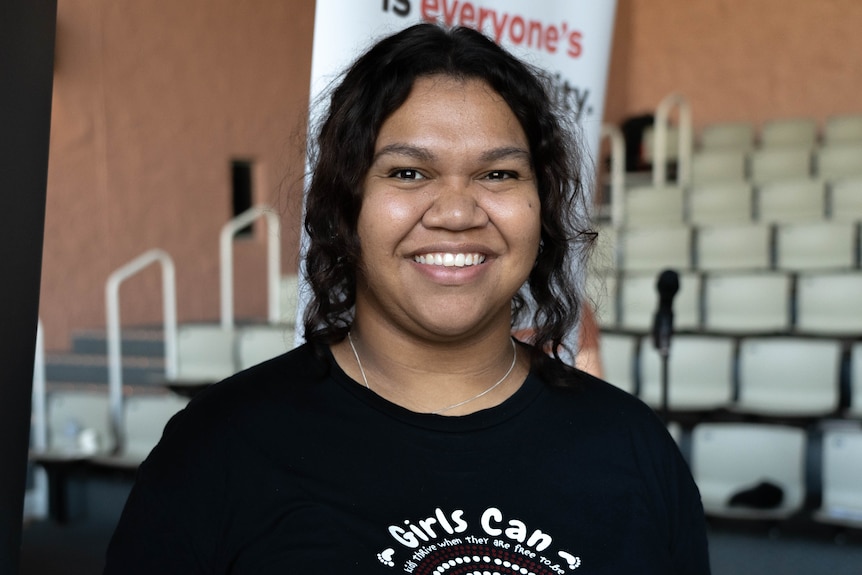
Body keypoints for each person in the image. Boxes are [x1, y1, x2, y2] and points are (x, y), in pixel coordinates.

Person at [104, 23, 710, 574]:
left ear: (542, 208)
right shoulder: (220, 449)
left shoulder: (631, 448)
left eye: (499, 174)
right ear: (346, 207)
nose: (455, 212)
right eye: (408, 173)